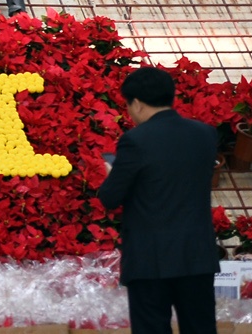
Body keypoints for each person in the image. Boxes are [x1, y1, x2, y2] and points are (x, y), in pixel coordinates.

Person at [95, 66, 218, 334]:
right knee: (201, 328)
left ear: (137, 103)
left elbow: (111, 197)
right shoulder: (206, 134)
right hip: (197, 255)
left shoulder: (135, 140)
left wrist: (112, 174)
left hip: (150, 259)